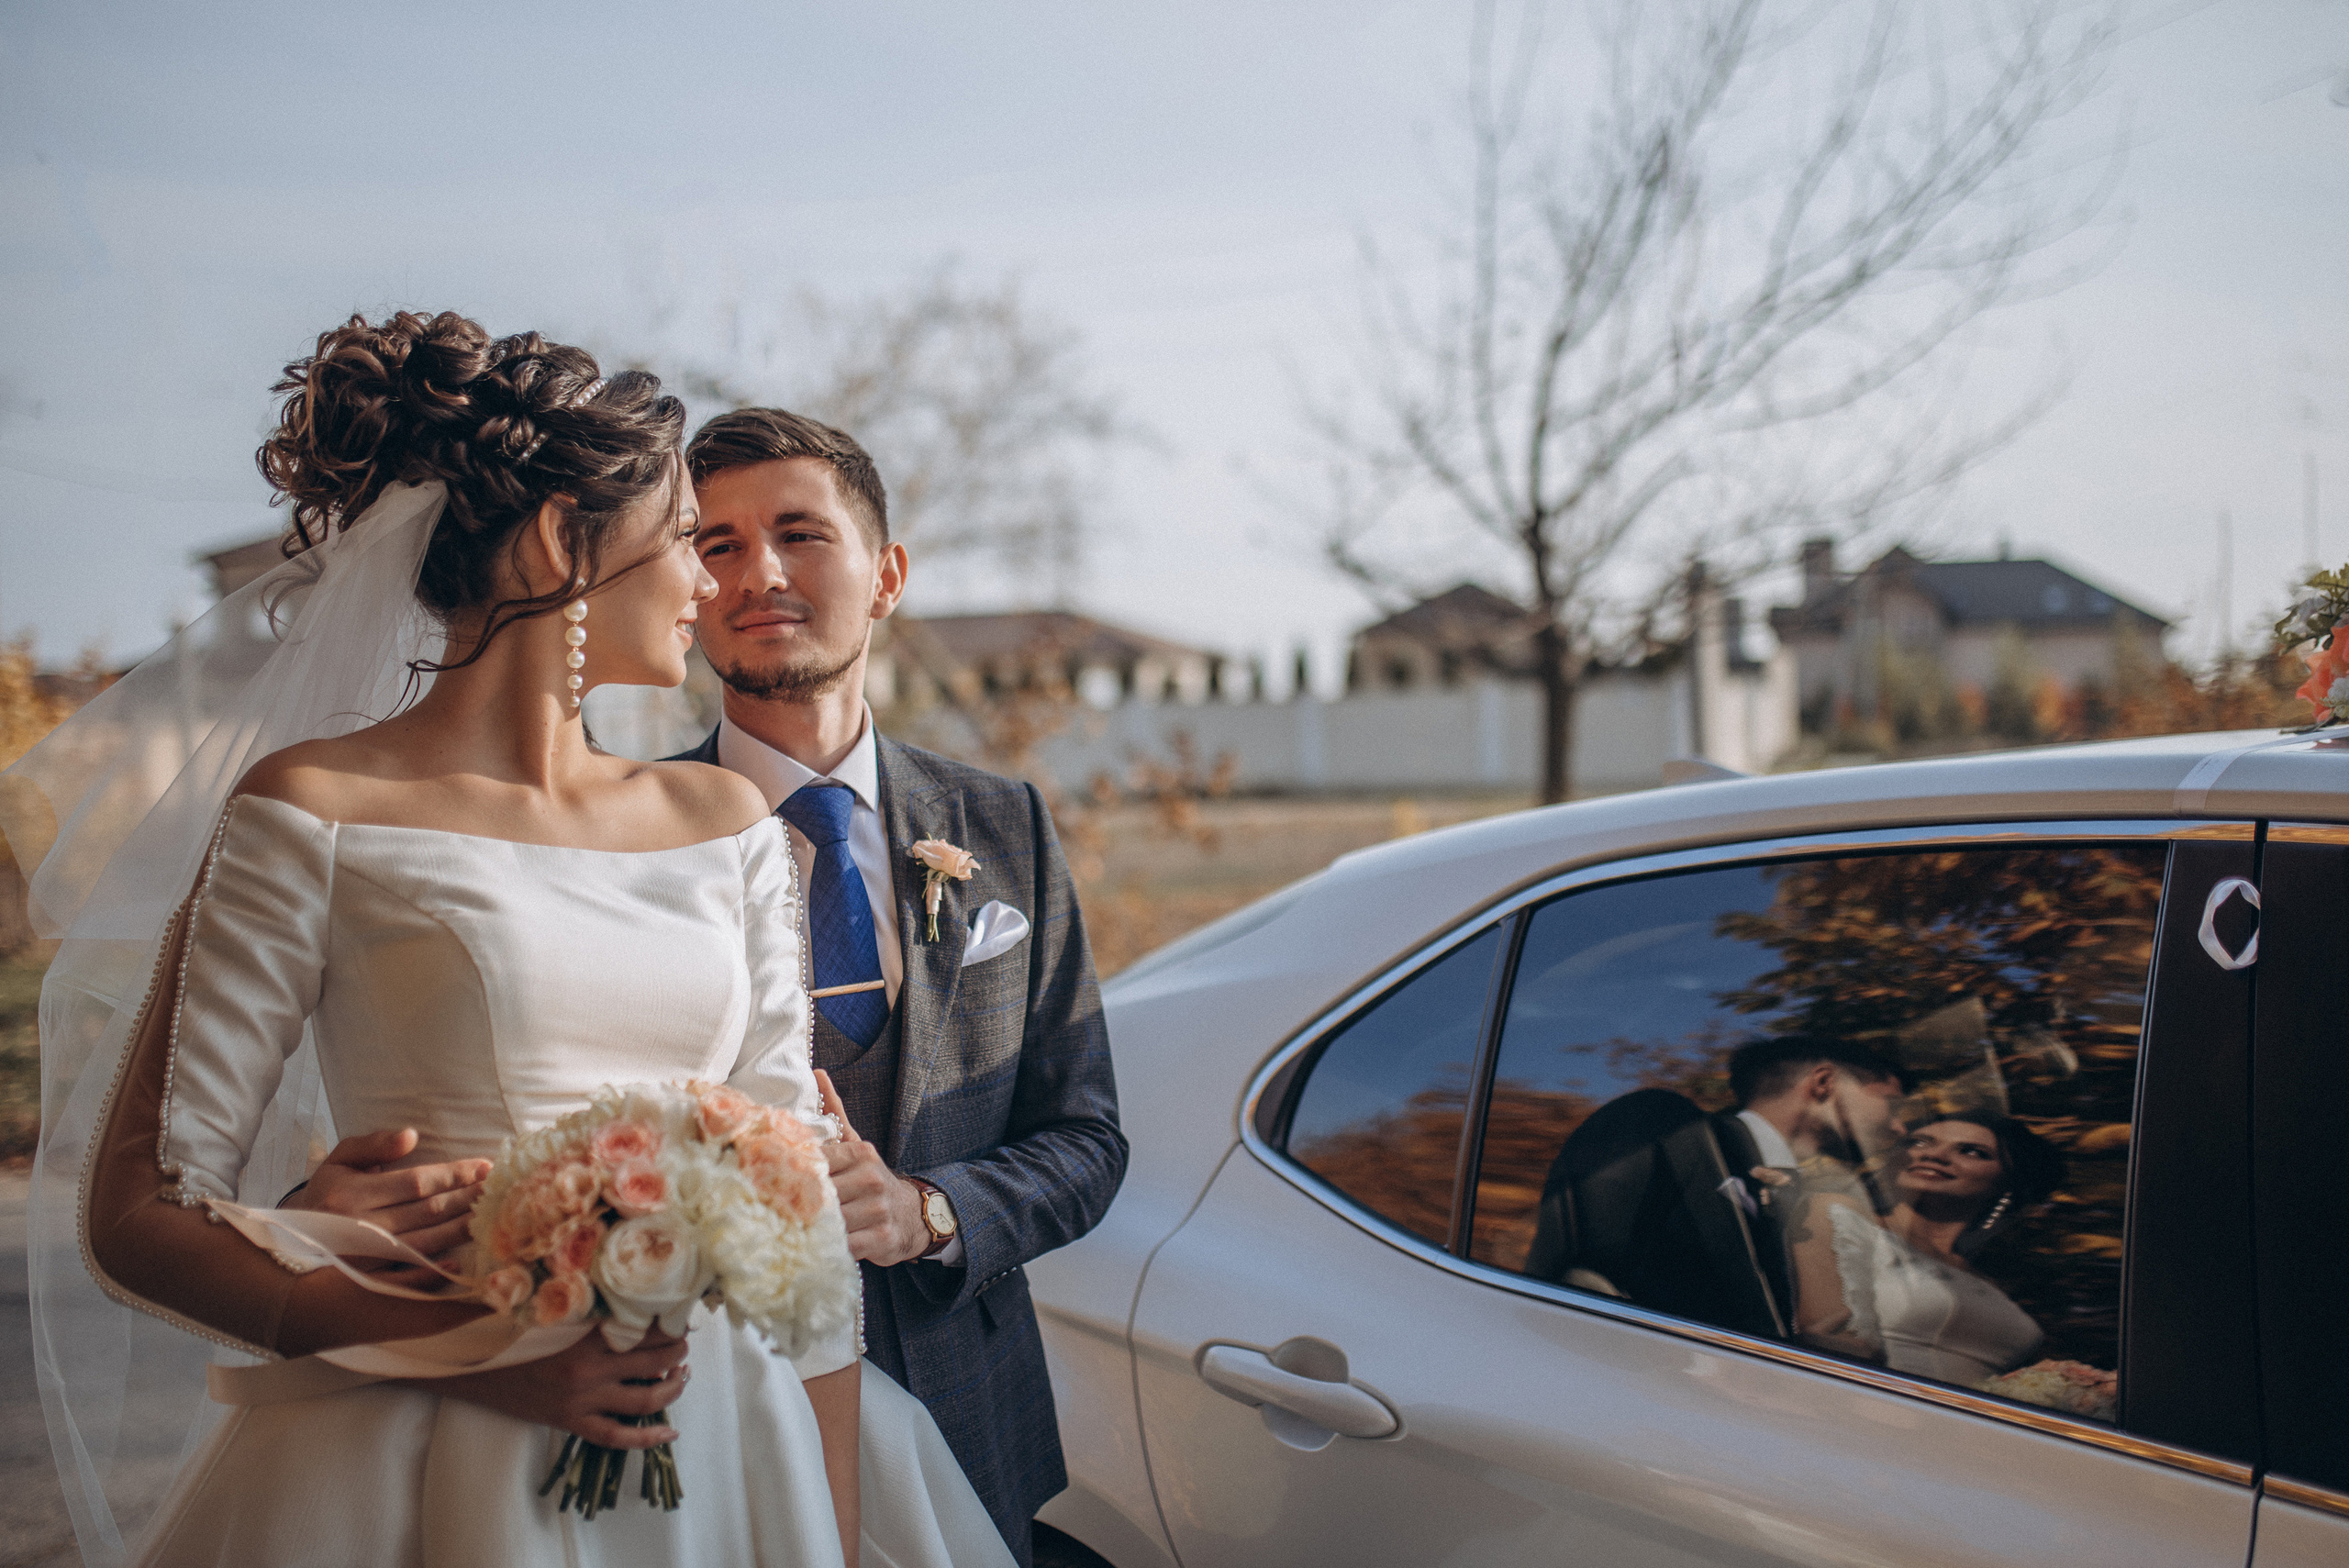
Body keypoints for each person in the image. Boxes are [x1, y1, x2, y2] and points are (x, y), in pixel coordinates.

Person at [10, 311, 1012, 1568]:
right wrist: (468, 1352)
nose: (707, 583)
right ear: (556, 543)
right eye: (679, 541)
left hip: (726, 1444)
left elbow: (791, 1211)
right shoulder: (312, 810)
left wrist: (825, 1520)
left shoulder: (728, 822)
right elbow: (141, 1209)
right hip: (419, 1458)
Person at [664, 407, 1128, 1568]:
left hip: (971, 1428)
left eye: (798, 532)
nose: (757, 572)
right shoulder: (624, 834)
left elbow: (1086, 1139)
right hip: (708, 1422)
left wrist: (930, 1210)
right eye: (713, 544)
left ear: (887, 575)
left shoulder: (1003, 823)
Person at [1522, 1035, 1908, 1340]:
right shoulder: (1664, 1129)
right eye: (1891, 1106)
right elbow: (1580, 1279)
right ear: (1824, 1084)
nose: (1899, 1128)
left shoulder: (1815, 1200)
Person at [1787, 1113, 2062, 1385]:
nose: (1935, 1155)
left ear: (2008, 1184)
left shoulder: (1993, 1280)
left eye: (1972, 1152)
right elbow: (1827, 1341)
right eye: (1918, 1143)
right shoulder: (1840, 1213)